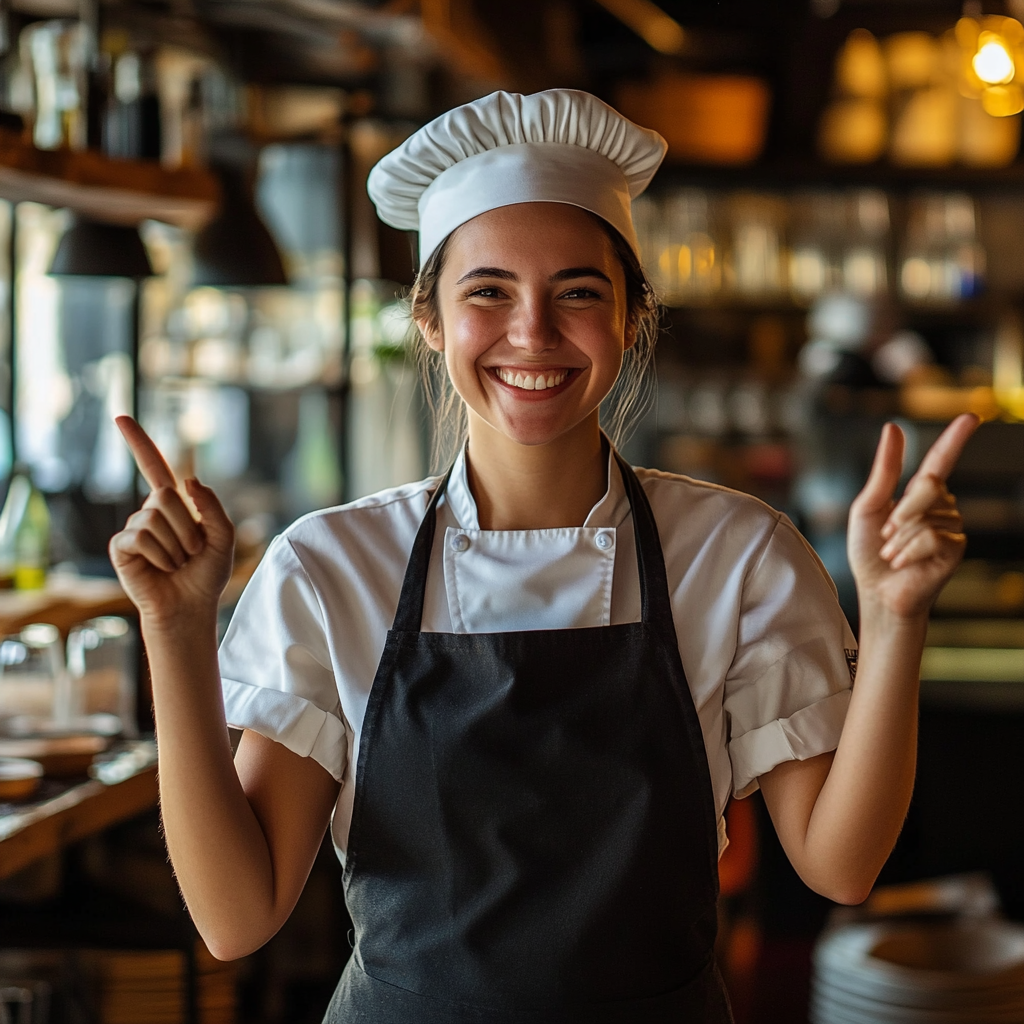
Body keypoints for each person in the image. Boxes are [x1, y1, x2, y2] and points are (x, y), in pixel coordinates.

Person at [110, 90, 978, 1023]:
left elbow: (841, 866)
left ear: (632, 318)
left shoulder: (736, 556)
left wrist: (894, 620)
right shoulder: (332, 568)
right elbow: (235, 918)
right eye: (488, 291)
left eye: (578, 292)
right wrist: (174, 626)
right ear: (430, 319)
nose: (533, 332)